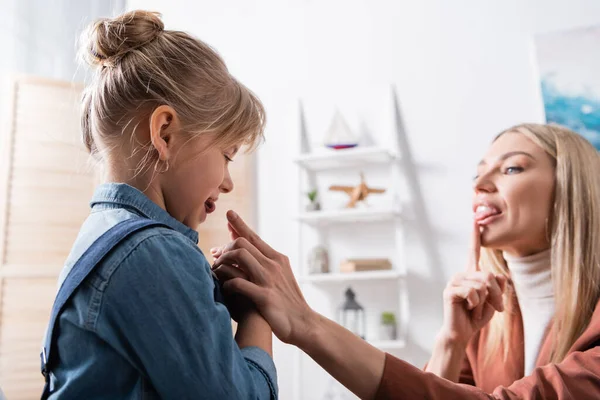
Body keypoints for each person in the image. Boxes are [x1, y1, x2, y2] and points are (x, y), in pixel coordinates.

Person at [212, 123, 600, 399]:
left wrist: (307, 322)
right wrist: (450, 342)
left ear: (572, 187)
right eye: (478, 174)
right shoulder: (491, 317)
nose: (480, 185)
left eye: (512, 168)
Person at [41, 10, 277, 399]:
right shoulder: (152, 251)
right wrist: (259, 308)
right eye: (227, 155)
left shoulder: (105, 235)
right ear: (164, 133)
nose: (229, 181)